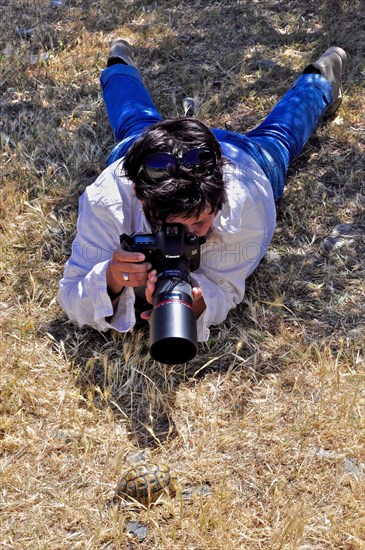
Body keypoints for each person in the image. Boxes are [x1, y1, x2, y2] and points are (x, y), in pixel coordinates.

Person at [58, 42, 347, 342]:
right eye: (172, 224)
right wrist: (111, 279)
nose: (190, 234)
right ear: (140, 197)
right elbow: (69, 294)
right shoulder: (109, 198)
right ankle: (117, 67)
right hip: (144, 150)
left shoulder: (243, 203)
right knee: (134, 123)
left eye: (200, 220)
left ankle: (319, 78)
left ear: (220, 196)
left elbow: (226, 291)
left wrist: (198, 302)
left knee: (281, 137)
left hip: (244, 157)